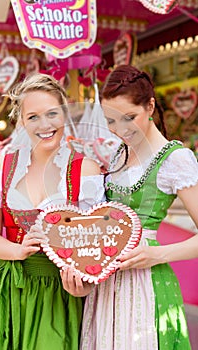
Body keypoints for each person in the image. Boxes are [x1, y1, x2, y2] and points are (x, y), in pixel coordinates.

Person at [0, 73, 104, 350]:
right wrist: (18, 251)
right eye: (33, 117)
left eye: (52, 113)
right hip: (7, 291)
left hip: (60, 294)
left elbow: (93, 249)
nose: (45, 125)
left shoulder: (85, 170)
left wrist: (85, 284)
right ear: (21, 121)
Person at [79, 65, 198, 350]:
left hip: (147, 283)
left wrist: (156, 254)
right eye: (111, 121)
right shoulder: (118, 154)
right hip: (106, 287)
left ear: (150, 106)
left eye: (129, 118)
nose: (120, 130)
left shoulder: (175, 159)